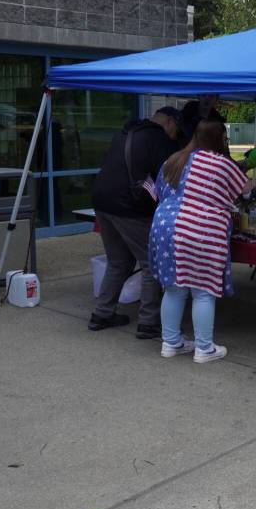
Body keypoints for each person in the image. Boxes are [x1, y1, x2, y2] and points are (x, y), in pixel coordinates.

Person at [149, 119, 248, 363]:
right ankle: (204, 349)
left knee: (173, 289)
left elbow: (159, 191)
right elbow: (244, 190)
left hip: (163, 227)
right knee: (203, 292)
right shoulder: (221, 163)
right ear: (220, 139)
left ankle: (170, 343)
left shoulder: (174, 159)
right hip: (199, 229)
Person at [89, 106, 182, 338]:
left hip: (102, 200)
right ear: (169, 122)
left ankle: (102, 313)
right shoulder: (157, 138)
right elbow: (167, 176)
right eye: (176, 129)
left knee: (118, 261)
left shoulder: (126, 132)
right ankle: (148, 323)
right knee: (151, 263)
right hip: (129, 206)